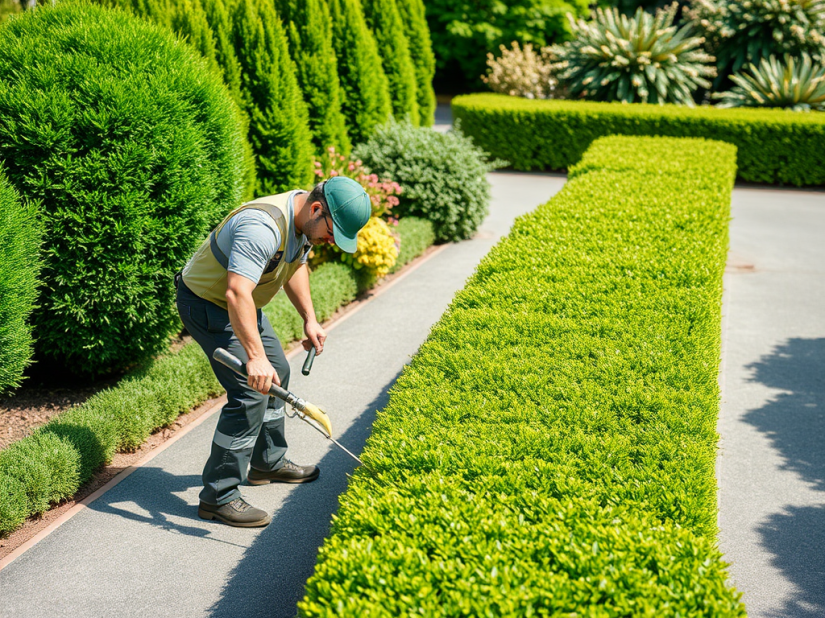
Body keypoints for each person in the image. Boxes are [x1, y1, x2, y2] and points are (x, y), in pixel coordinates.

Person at [175, 177, 371, 527]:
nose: (330, 241)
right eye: (331, 232)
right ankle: (217, 497)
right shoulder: (262, 227)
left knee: (278, 371)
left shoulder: (304, 225)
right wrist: (254, 356)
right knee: (252, 389)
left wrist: (309, 318)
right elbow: (236, 293)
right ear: (316, 209)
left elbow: (295, 265)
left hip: (238, 302)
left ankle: (268, 461)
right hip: (209, 302)